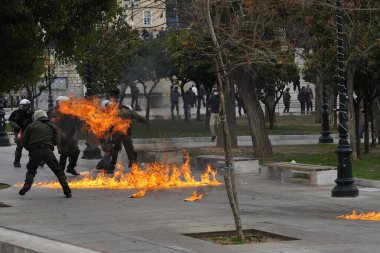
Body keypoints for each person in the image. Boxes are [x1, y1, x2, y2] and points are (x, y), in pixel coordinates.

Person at [19, 110, 72, 198]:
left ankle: (27, 185)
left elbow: (24, 141)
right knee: (58, 171)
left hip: (34, 151)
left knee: (31, 171)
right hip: (47, 151)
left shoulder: (31, 126)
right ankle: (67, 191)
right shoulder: (52, 126)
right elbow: (57, 142)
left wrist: (30, 149)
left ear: (36, 117)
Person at [101, 101, 149, 172]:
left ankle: (111, 167)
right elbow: (139, 117)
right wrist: (146, 122)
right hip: (126, 134)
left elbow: (110, 124)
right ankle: (133, 166)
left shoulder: (115, 112)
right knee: (130, 150)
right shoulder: (129, 112)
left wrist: (109, 133)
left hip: (116, 134)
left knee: (116, 150)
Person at [49, 96, 81, 176]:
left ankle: (70, 168)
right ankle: (61, 172)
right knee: (64, 153)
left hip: (70, 135)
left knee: (76, 151)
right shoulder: (54, 112)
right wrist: (61, 133)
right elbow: (53, 125)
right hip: (61, 136)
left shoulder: (69, 111)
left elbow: (77, 121)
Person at [8, 99, 34, 167]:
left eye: (28, 106)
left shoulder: (30, 113)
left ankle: (33, 161)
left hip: (28, 131)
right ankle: (16, 161)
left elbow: (34, 121)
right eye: (25, 106)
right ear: (21, 106)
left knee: (31, 146)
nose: (27, 107)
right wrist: (16, 126)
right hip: (19, 131)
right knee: (19, 145)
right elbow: (10, 121)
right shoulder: (16, 113)